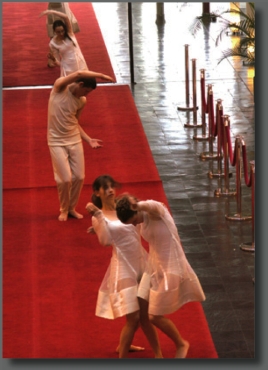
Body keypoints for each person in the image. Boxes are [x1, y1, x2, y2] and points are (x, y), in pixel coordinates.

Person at [116, 194, 206, 358]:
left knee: (154, 317)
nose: (135, 224)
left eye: (134, 220)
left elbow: (152, 205)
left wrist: (138, 205)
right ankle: (158, 355)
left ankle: (181, 343)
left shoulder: (157, 211)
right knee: (142, 312)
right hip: (154, 267)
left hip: (171, 267)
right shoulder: (140, 218)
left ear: (137, 209)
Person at [85, 175, 163, 358]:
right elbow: (105, 242)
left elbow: (143, 219)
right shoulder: (99, 216)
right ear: (97, 192)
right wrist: (98, 219)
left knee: (145, 315)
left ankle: (157, 354)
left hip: (141, 263)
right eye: (106, 187)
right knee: (133, 317)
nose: (111, 190)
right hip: (123, 267)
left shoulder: (124, 207)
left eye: (112, 186)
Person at [48, 70, 115, 221]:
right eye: (85, 91)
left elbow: (74, 122)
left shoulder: (82, 100)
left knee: (79, 176)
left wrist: (88, 139)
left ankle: (71, 208)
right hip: (56, 140)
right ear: (80, 84)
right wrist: (102, 75)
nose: (86, 95)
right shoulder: (60, 88)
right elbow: (78, 73)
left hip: (74, 139)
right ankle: (63, 209)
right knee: (64, 179)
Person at [39, 8, 87, 75]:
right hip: (67, 68)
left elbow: (66, 17)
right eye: (58, 32)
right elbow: (57, 62)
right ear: (54, 31)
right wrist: (53, 59)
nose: (61, 33)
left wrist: (52, 11)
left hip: (81, 64)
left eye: (62, 31)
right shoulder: (53, 43)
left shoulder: (70, 34)